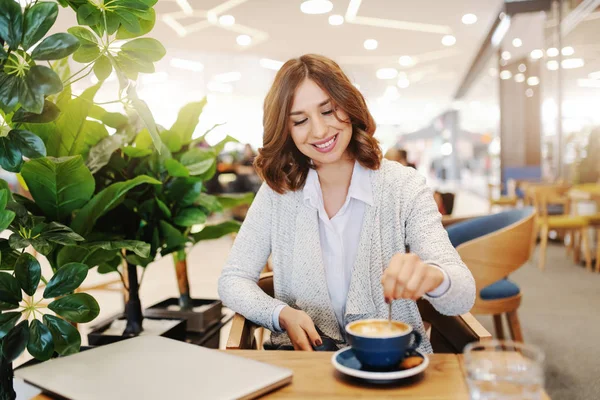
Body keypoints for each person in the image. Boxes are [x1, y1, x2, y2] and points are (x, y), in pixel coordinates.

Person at [218, 54, 475, 353]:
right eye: (300, 120)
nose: (319, 131)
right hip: (307, 367)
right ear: (286, 130)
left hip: (390, 366)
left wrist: (433, 276)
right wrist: (279, 314)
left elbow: (463, 293)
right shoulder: (278, 193)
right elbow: (233, 279)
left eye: (328, 111)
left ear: (350, 106)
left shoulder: (403, 186)